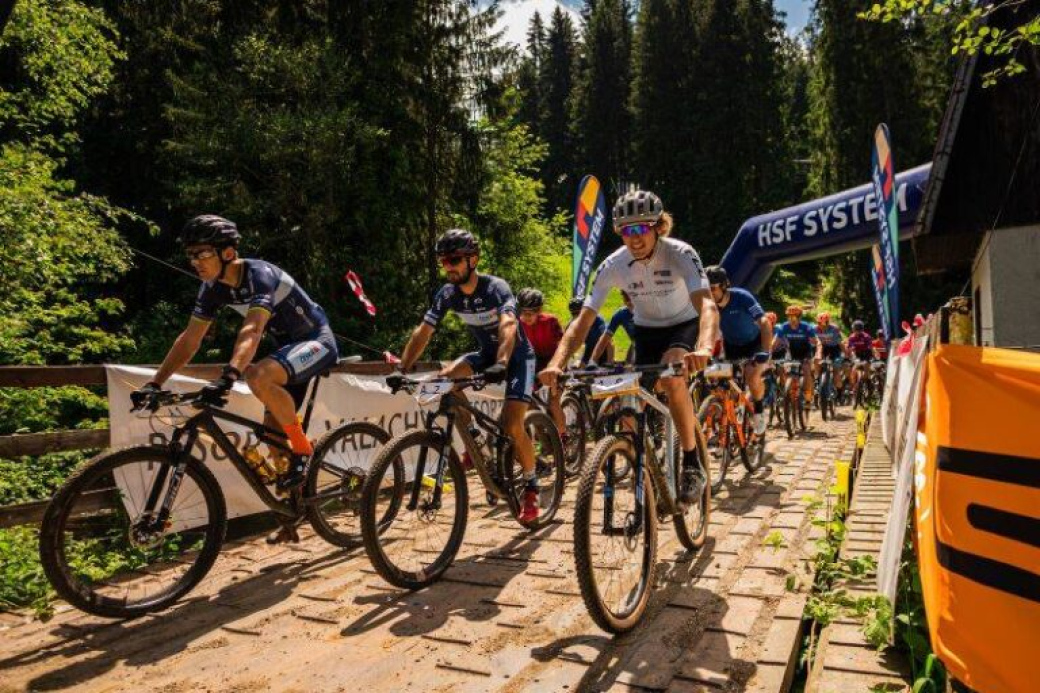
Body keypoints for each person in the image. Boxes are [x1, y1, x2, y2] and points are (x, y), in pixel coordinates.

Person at [132, 215, 338, 496]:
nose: (195, 262)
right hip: (287, 351)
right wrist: (155, 383)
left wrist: (229, 376)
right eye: (190, 255)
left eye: (202, 253)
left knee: (257, 375)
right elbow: (190, 338)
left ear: (227, 253)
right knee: (273, 438)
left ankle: (304, 450)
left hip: (317, 341)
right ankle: (297, 508)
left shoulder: (260, 276)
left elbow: (252, 329)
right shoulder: (211, 288)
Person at [540, 190, 720, 505]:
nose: (634, 238)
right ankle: (648, 453)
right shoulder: (613, 265)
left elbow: (707, 305)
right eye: (626, 231)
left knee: (673, 374)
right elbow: (582, 321)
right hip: (647, 330)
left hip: (683, 325)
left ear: (658, 227)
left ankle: (692, 462)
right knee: (629, 402)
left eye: (640, 229)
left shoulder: (680, 253)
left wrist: (704, 347)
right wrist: (557, 362)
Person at [391, 229, 542, 524]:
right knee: (445, 378)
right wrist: (402, 368)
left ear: (472, 260)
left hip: (516, 357)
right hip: (485, 353)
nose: (448, 266)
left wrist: (501, 361)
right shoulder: (448, 294)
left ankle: (532, 486)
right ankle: (474, 439)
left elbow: (509, 324)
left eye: (454, 259)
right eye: (444, 261)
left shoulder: (495, 288)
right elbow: (424, 332)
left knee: (512, 424)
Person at [705, 266, 771, 435]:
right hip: (732, 345)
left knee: (751, 374)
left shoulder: (742, 297)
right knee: (722, 384)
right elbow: (705, 330)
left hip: (753, 343)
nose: (709, 294)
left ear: (724, 286)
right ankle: (727, 421)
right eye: (706, 289)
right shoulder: (708, 305)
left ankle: (758, 409)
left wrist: (765, 350)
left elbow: (764, 322)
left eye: (712, 289)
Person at [517, 287, 566, 433]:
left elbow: (562, 348)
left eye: (529, 314)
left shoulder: (550, 321)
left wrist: (558, 368)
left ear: (539, 311)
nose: (525, 317)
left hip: (555, 362)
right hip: (536, 362)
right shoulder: (518, 324)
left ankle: (563, 439)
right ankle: (544, 428)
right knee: (526, 402)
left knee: (553, 404)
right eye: (522, 312)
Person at [776, 305, 817, 405]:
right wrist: (767, 354)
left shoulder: (806, 327)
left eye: (794, 317)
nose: (791, 319)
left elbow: (815, 341)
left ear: (799, 317)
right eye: (789, 317)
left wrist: (817, 351)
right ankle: (787, 391)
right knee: (783, 369)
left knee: (806, 371)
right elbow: (775, 342)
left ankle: (808, 397)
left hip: (805, 352)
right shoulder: (784, 326)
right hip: (791, 352)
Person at [590, 291, 636, 364]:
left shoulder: (650, 310)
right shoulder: (621, 314)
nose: (631, 305)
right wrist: (593, 361)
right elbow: (605, 338)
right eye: (626, 298)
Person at [568, 296, 607, 367]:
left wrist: (584, 362)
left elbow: (602, 342)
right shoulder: (572, 323)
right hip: (589, 346)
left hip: (600, 347)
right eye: (573, 314)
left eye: (578, 313)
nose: (576, 317)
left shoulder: (598, 321)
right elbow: (566, 342)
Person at [814, 312, 846, 393]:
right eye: (819, 323)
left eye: (826, 323)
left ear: (828, 322)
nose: (823, 326)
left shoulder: (834, 329)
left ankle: (839, 391)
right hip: (822, 348)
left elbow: (840, 343)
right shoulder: (814, 329)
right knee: (816, 361)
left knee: (836, 371)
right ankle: (817, 380)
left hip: (834, 349)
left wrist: (846, 353)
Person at [846, 320, 874, 391]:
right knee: (853, 370)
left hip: (866, 354)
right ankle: (853, 387)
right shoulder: (851, 337)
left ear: (862, 330)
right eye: (855, 330)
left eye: (859, 330)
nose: (857, 332)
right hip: (857, 355)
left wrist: (872, 352)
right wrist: (850, 354)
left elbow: (870, 347)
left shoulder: (866, 336)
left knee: (866, 371)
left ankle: (869, 386)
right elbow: (849, 348)